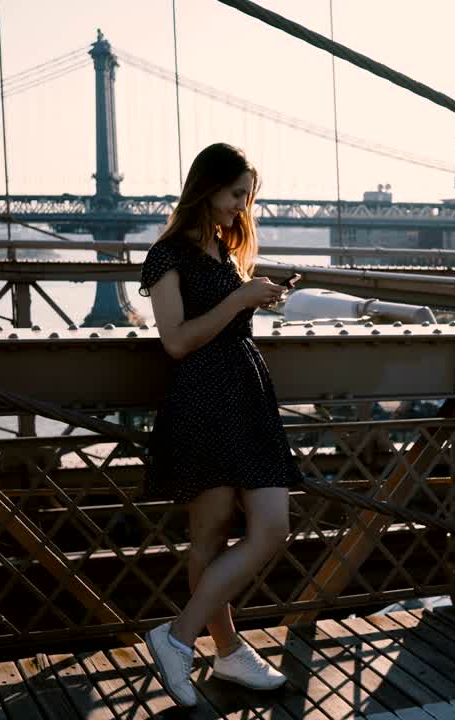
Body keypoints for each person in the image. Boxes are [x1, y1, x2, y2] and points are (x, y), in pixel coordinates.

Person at [138, 142, 304, 707]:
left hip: (246, 395)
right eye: (237, 195)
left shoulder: (224, 250)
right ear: (207, 188)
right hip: (204, 400)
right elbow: (177, 341)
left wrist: (254, 296)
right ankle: (228, 654)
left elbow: (225, 319)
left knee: (271, 527)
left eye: (247, 197)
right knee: (208, 535)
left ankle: (177, 638)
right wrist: (240, 301)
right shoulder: (168, 255)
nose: (243, 207)